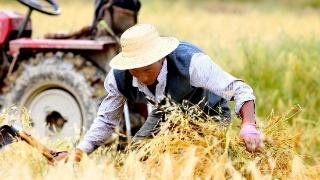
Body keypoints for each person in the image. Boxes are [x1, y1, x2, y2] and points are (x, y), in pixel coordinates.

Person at [55, 24, 262, 161]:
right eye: (134, 70)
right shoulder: (117, 78)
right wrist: (79, 152)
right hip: (166, 112)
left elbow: (240, 89)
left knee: (206, 160)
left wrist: (248, 124)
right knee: (137, 157)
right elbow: (107, 120)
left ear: (161, 57)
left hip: (209, 111)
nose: (142, 77)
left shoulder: (191, 63)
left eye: (147, 69)